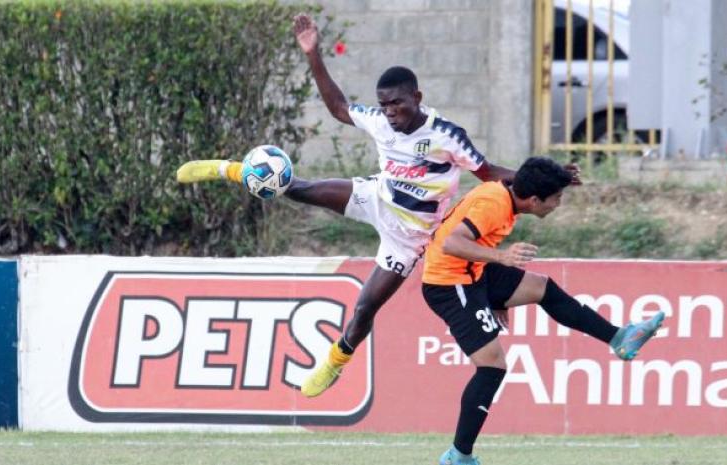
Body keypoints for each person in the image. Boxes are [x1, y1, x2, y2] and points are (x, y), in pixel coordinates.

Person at [176, 13, 522, 397]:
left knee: (364, 309)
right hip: (378, 198)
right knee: (299, 189)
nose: (390, 112)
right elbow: (339, 108)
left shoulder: (445, 136)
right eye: (385, 105)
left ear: (417, 98)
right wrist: (313, 53)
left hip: (411, 237)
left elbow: (489, 172)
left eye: (398, 104)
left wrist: (542, 177)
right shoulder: (380, 122)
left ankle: (334, 363)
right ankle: (233, 170)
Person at [421, 157, 665, 465]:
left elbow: (525, 175)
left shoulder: (510, 193)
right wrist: (502, 257)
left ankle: (619, 338)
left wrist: (558, 174)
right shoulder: (494, 204)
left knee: (541, 287)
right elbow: (453, 244)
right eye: (556, 198)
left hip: (475, 272)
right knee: (492, 365)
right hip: (450, 282)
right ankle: (459, 456)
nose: (558, 204)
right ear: (534, 200)